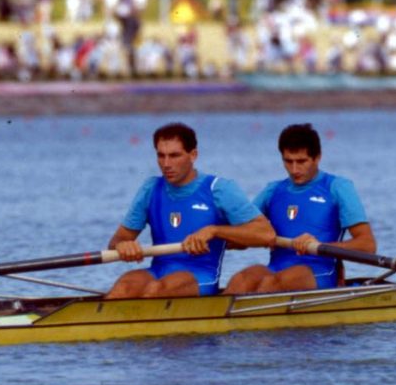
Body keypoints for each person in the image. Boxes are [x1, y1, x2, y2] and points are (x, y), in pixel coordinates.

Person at [105, 122, 274, 299]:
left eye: (174, 156)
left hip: (199, 277)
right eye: (161, 156)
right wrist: (123, 245)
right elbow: (118, 240)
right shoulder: (151, 188)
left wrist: (214, 231)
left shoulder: (219, 189)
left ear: (193, 155)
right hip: (157, 271)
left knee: (157, 290)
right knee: (124, 285)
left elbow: (266, 234)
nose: (166, 164)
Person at [225, 123, 376, 294]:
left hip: (318, 272)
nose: (294, 169)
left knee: (272, 285)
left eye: (301, 161)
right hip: (275, 269)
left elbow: (367, 245)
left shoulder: (338, 188)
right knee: (241, 280)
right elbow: (239, 238)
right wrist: (212, 234)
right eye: (288, 161)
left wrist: (319, 245)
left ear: (317, 157)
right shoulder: (273, 190)